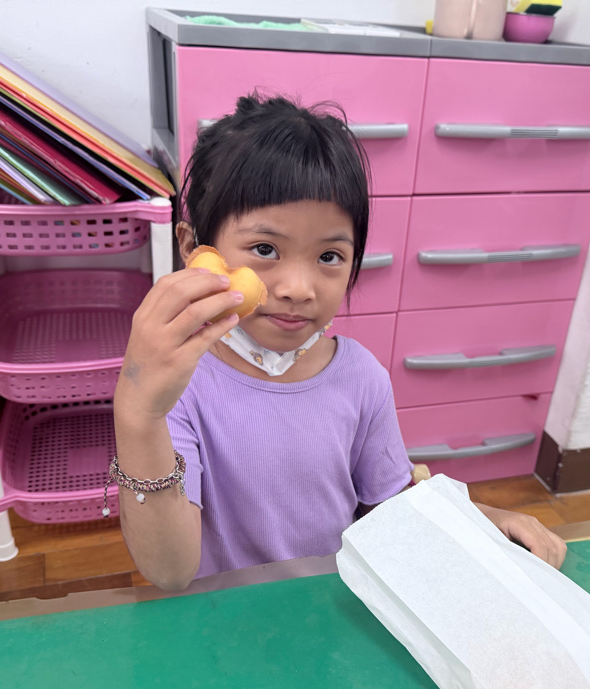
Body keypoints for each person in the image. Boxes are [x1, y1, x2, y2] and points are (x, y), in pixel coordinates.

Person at [112, 94, 566, 591]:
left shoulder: (361, 377)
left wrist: (480, 519)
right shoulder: (179, 385)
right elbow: (169, 570)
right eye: (265, 249)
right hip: (224, 620)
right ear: (194, 250)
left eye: (329, 256)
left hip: (336, 608)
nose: (299, 288)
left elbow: (391, 507)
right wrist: (140, 413)